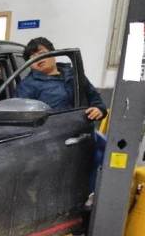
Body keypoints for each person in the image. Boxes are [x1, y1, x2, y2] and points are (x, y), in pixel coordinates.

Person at [17, 37, 107, 194]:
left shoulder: (74, 74)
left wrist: (99, 109)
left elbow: (95, 98)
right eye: (32, 58)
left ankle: (91, 195)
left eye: (41, 53)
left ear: (53, 53)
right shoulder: (27, 86)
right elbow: (21, 118)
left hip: (82, 132)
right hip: (53, 139)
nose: (38, 59)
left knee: (106, 151)